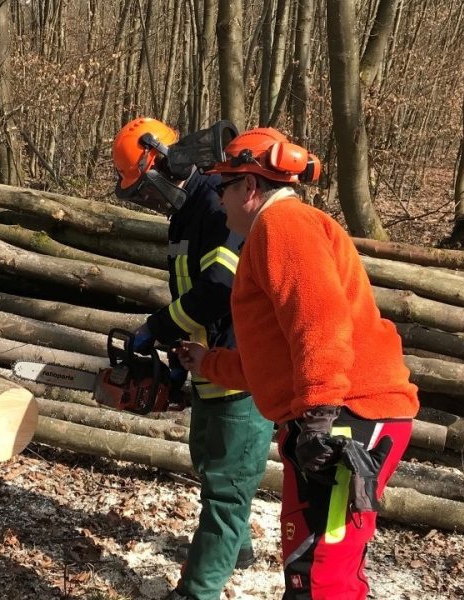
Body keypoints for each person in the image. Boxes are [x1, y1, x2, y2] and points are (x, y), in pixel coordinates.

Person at [174, 127, 419, 600]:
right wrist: (209, 363)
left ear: (250, 187)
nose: (219, 200)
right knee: (331, 565)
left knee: (318, 572)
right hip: (334, 412)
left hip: (348, 417)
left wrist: (321, 417)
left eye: (225, 187)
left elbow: (319, 321)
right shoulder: (274, 232)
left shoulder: (283, 225)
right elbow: (277, 358)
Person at [111, 117, 274, 600]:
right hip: (209, 362)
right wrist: (180, 356)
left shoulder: (221, 206)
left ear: (161, 164)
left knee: (226, 487)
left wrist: (158, 328)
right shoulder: (186, 213)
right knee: (210, 464)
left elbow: (217, 291)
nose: (147, 200)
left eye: (145, 189)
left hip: (241, 370)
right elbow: (194, 293)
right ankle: (238, 548)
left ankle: (197, 591)